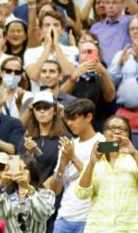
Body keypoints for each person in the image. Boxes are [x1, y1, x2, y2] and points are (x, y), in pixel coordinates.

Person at [76, 115, 138, 232]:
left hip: (134, 227)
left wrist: (135, 155)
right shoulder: (94, 160)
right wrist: (92, 163)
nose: (117, 131)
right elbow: (82, 193)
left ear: (128, 135)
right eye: (112, 127)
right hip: (99, 228)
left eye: (122, 129)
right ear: (103, 133)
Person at [47, 99, 105, 232]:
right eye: (68, 119)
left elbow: (98, 180)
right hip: (64, 217)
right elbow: (55, 190)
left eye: (74, 118)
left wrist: (73, 157)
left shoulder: (102, 142)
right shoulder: (68, 145)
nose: (70, 123)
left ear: (89, 117)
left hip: (90, 218)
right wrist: (62, 164)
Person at [108, 15, 138, 146]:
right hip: (124, 113)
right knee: (118, 151)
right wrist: (119, 65)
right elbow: (110, 83)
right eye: (132, 28)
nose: (135, 31)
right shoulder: (121, 54)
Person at [0, 156, 56, 232]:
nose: (21, 172)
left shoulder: (45, 194)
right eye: (18, 168)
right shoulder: (5, 196)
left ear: (32, 171)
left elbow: (43, 215)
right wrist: (1, 186)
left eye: (25, 168)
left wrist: (27, 187)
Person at [20, 91, 71, 183]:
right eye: (38, 108)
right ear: (33, 111)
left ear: (55, 111)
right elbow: (20, 169)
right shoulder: (27, 138)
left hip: (57, 189)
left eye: (46, 107)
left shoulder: (64, 138)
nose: (42, 111)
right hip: (31, 191)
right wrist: (28, 154)